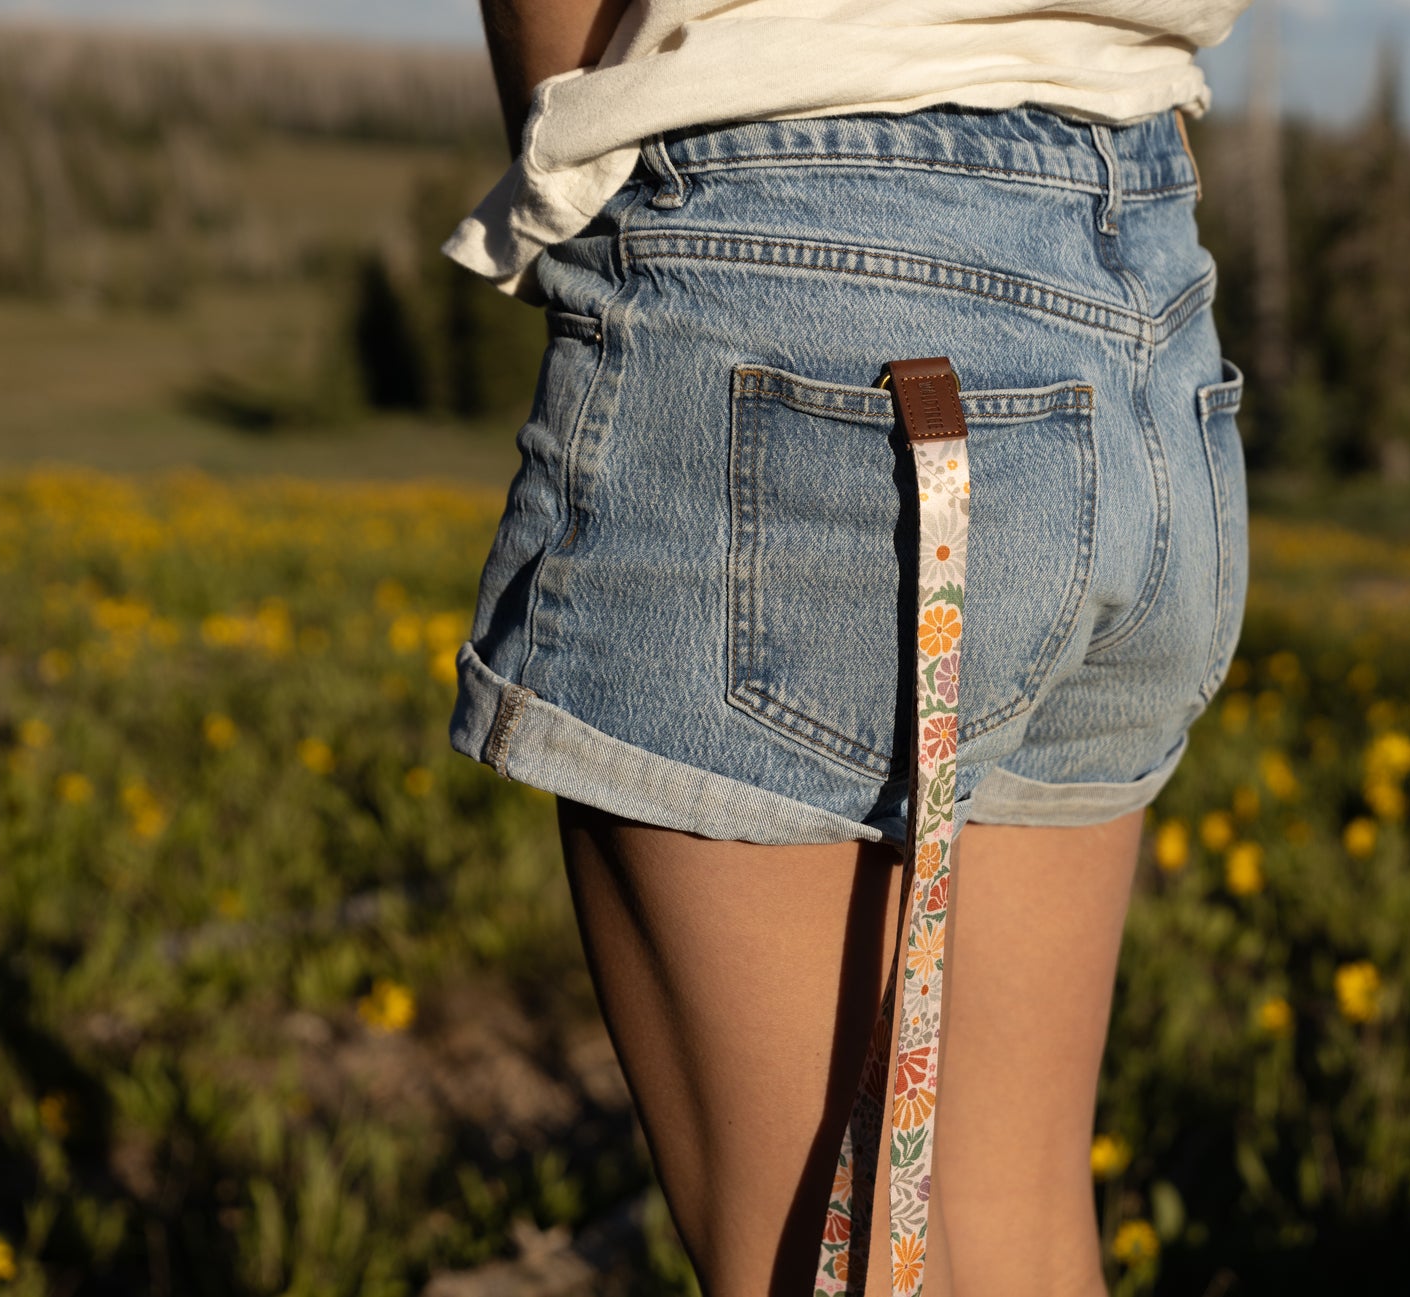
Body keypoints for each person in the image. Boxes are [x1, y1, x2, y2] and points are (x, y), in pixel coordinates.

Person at [446, 3, 1251, 1293]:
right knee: (1025, 1243)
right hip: (1146, 291)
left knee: (832, 1260)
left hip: (792, 256)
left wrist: (596, 172)